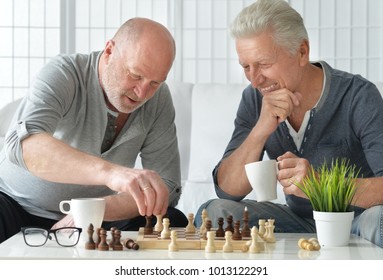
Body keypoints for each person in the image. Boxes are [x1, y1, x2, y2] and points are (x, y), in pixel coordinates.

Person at [196, 0, 383, 248]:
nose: (255, 80)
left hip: (356, 220)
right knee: (214, 212)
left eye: (264, 64)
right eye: (246, 67)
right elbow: (228, 191)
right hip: (296, 221)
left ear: (302, 52)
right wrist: (261, 129)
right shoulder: (254, 98)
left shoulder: (358, 96)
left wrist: (318, 185)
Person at [0, 17, 188, 243]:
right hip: (17, 206)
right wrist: (111, 173)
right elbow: (23, 146)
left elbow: (166, 185)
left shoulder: (158, 99)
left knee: (172, 220)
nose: (142, 93)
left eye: (155, 83)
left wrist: (94, 209)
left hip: (95, 218)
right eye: (135, 75)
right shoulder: (65, 74)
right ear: (109, 51)